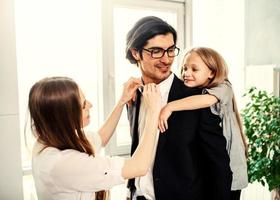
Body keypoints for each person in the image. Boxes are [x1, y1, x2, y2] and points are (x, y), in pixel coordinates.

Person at [125, 16, 232, 200]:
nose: (167, 59)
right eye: (157, 51)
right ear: (136, 53)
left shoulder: (197, 99)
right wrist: (132, 190)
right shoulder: (133, 95)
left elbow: (218, 167)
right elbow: (138, 147)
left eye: (171, 50)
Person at [29, 76, 161, 200]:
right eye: (83, 104)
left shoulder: (52, 137)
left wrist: (122, 101)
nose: (90, 105)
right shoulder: (62, 165)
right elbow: (139, 166)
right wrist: (153, 112)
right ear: (64, 115)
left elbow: (101, 138)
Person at [158, 47, 248, 200]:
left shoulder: (224, 87)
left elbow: (205, 100)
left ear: (211, 73)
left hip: (231, 169)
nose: (187, 73)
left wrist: (169, 107)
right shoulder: (195, 92)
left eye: (194, 69)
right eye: (184, 68)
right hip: (211, 173)